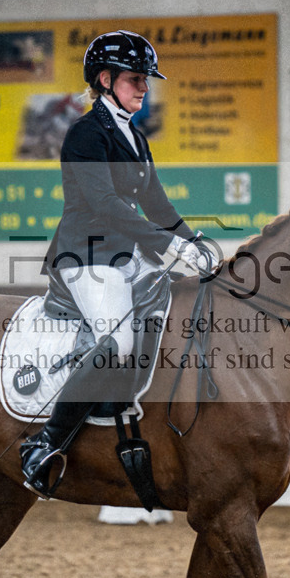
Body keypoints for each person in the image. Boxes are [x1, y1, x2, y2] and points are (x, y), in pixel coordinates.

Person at [20, 30, 211, 498]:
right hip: (85, 254)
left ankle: (123, 407)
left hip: (124, 255)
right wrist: (170, 247)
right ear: (104, 80)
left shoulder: (136, 135)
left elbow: (156, 203)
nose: (144, 88)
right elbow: (105, 204)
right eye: (134, 79)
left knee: (177, 309)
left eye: (146, 80)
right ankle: (46, 443)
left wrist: (194, 241)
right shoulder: (85, 134)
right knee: (117, 339)